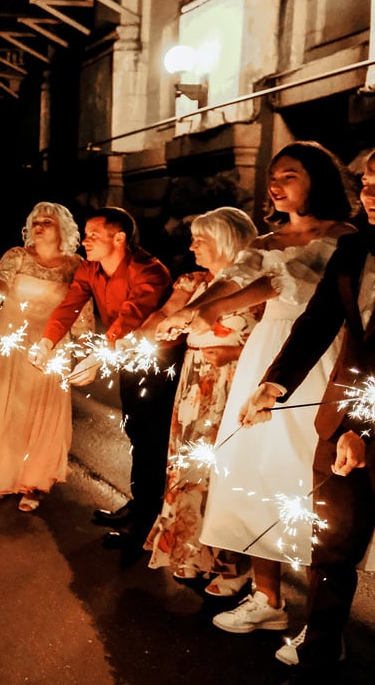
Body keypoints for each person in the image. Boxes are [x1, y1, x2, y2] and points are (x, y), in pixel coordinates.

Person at [156, 141, 358, 633]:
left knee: (308, 483)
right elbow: (238, 282)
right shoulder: (265, 241)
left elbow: (287, 285)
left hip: (317, 358)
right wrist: (194, 311)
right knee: (251, 472)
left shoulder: (344, 237)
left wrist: (204, 310)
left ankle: (319, 620)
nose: (276, 183)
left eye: (288, 174)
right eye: (272, 175)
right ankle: (266, 597)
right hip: (262, 358)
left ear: (316, 180)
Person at [238, 150, 375, 677]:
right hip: (339, 414)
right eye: (365, 183)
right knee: (333, 541)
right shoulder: (354, 248)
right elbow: (317, 323)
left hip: (363, 423)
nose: (369, 194)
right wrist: (273, 382)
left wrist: (364, 429)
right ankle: (322, 642)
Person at [29, 206, 178, 549]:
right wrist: (46, 341)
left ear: (120, 238)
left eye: (93, 234)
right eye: (85, 233)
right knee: (135, 431)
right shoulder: (89, 269)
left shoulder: (149, 271)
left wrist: (98, 355)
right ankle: (139, 505)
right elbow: (69, 305)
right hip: (123, 359)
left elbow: (133, 315)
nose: (85, 240)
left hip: (156, 364)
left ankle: (148, 523)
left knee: (152, 440)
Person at [137, 207, 260, 580]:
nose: (191, 247)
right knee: (191, 468)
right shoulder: (192, 283)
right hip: (195, 387)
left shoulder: (258, 286)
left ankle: (232, 564)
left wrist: (234, 352)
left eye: (200, 240)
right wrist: (152, 329)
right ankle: (191, 550)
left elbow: (277, 339)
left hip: (238, 383)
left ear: (225, 241)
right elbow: (163, 316)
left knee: (226, 471)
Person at [0, 202, 87, 512]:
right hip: (10, 341)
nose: (39, 226)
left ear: (62, 229)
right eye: (35, 221)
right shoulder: (17, 256)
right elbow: (1, 279)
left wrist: (83, 344)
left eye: (47, 222)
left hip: (50, 344)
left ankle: (33, 482)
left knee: (40, 410)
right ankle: (2, 475)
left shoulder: (74, 265)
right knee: (7, 406)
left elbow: (80, 304)